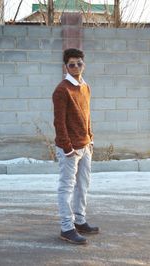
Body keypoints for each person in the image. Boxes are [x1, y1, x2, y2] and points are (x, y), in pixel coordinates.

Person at [52, 48, 99, 245]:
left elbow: (87, 115)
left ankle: (79, 221)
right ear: (66, 67)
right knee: (67, 188)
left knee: (83, 186)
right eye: (72, 64)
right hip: (70, 149)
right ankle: (66, 227)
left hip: (85, 146)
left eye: (79, 63)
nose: (76, 67)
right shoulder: (62, 90)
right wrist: (67, 147)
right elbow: (59, 123)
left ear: (83, 65)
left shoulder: (85, 86)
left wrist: (90, 137)